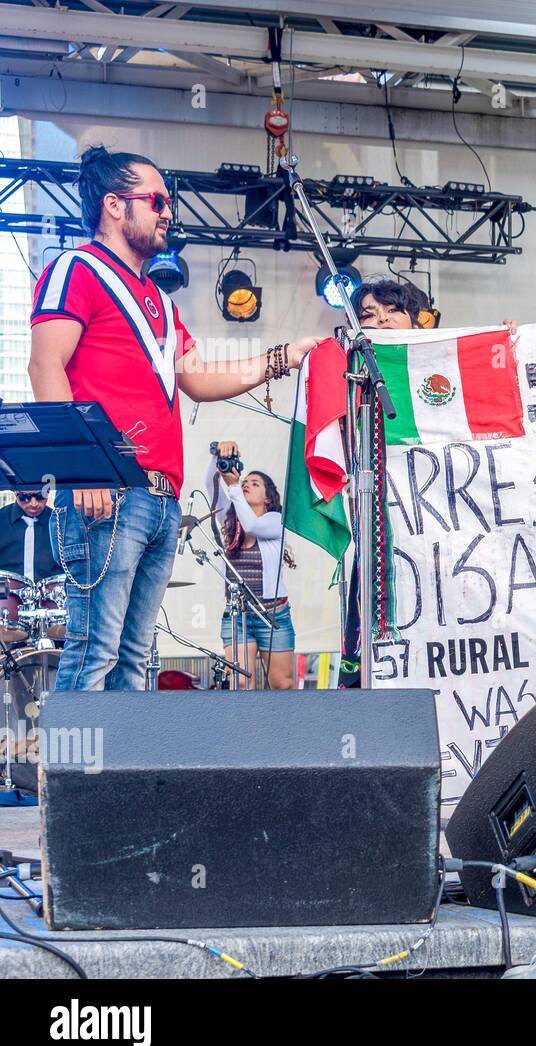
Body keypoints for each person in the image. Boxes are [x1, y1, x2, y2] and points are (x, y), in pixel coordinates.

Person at [28, 145, 325, 691]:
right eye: (158, 200)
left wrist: (281, 358)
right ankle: (67, 777)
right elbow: (45, 364)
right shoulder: (76, 269)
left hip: (162, 496)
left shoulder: (161, 301)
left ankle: (112, 778)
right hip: (108, 491)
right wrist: (80, 471)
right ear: (115, 206)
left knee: (133, 657)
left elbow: (198, 378)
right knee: (95, 650)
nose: (168, 211)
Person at [210, 443, 296, 689]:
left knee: (281, 684)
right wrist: (218, 458)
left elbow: (253, 527)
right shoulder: (230, 520)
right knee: (238, 682)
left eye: (254, 484)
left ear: (268, 498)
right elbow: (211, 488)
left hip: (273, 614)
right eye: (245, 481)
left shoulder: (276, 520)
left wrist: (235, 487)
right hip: (238, 615)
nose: (246, 484)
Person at [0, 489, 57, 582]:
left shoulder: (59, 522)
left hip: (50, 594)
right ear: (15, 492)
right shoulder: (1, 519)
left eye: (40, 496)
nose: (33, 504)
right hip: (5, 593)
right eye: (25, 497)